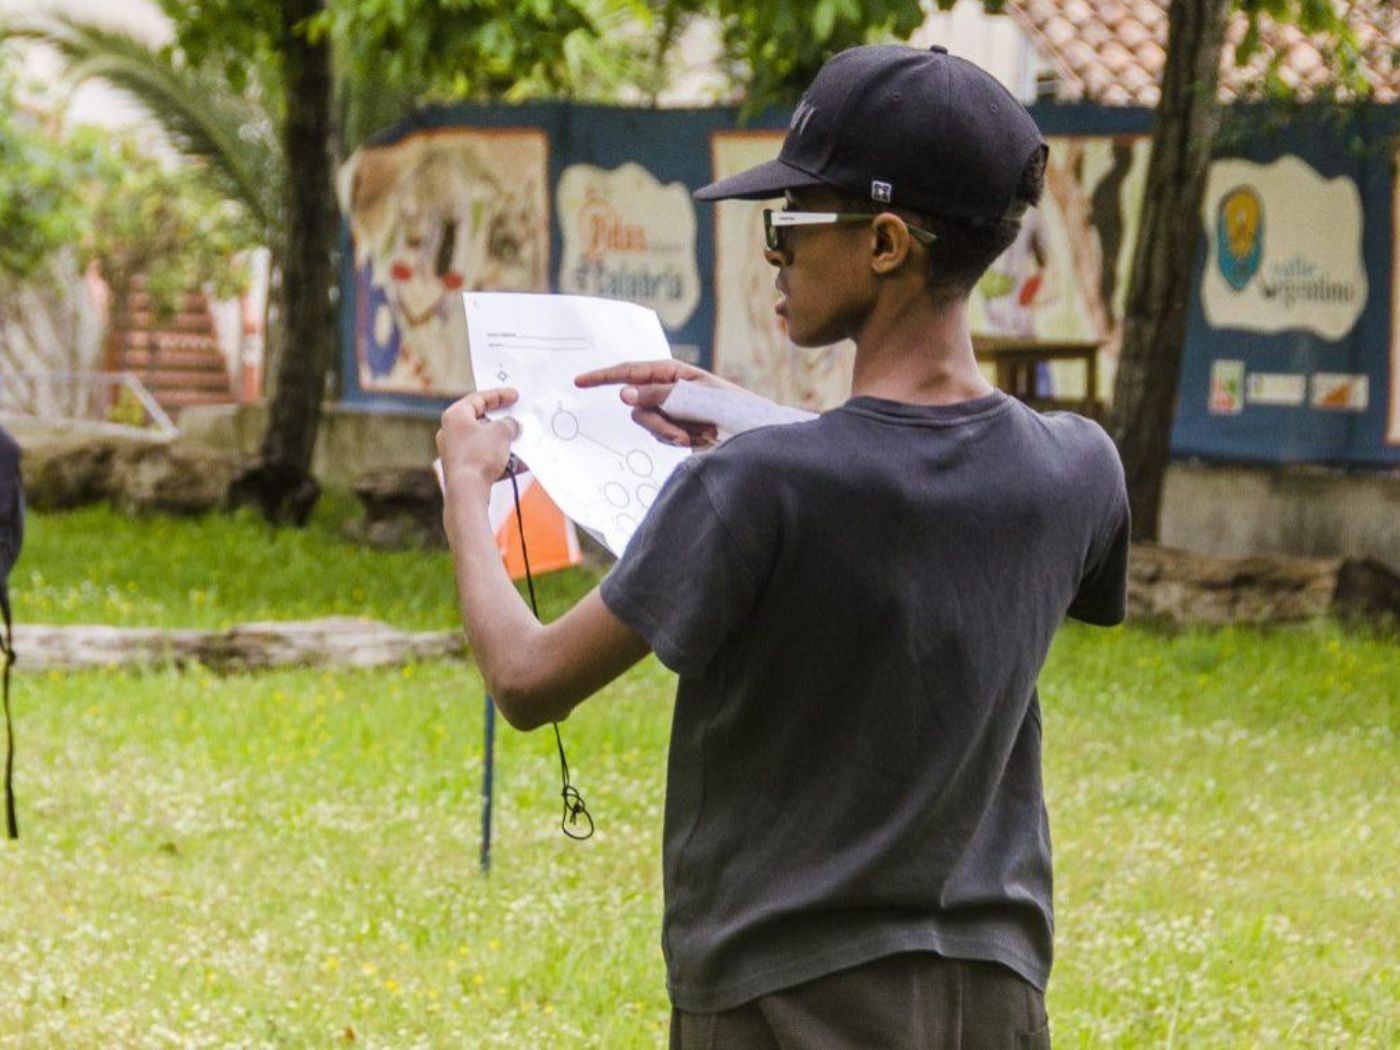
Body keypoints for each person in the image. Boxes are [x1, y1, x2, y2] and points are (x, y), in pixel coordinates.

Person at [437, 43, 1129, 1048]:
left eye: (789, 224)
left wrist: (466, 493)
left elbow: (528, 679)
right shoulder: (1078, 471)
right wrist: (758, 420)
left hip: (786, 999)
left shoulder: (752, 487)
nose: (774, 255)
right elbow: (921, 478)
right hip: (995, 996)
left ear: (885, 243)